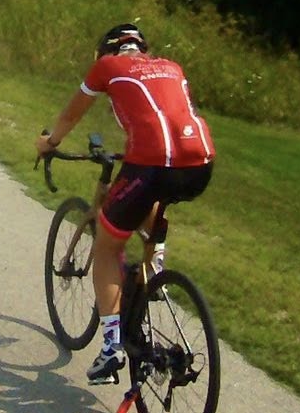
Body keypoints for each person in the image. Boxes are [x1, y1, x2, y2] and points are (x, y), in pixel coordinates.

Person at [33, 22, 213, 384]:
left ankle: (111, 348)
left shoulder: (108, 66)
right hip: (200, 163)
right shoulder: (171, 67)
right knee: (153, 202)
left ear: (106, 50)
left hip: (150, 165)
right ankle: (155, 268)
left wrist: (49, 143)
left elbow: (71, 115)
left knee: (106, 245)